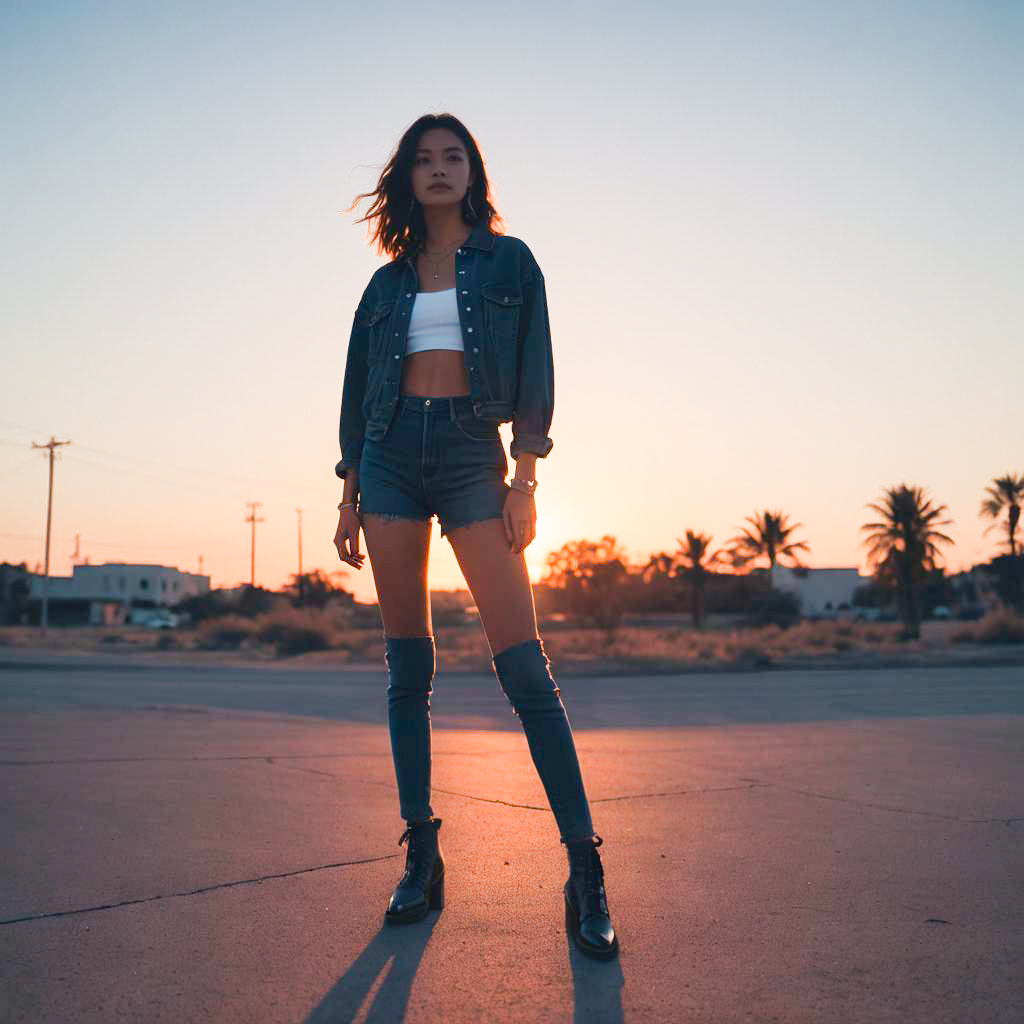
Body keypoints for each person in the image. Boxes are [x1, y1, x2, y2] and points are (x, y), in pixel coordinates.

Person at [333, 113, 618, 960]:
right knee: (406, 667)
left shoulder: (511, 262)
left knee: (525, 668)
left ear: (473, 171)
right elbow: (353, 393)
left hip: (469, 455)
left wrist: (525, 478)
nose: (438, 169)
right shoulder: (384, 287)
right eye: (423, 159)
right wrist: (349, 490)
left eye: (452, 156)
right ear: (406, 179)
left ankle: (586, 870)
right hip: (387, 456)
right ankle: (421, 853)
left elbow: (537, 372)